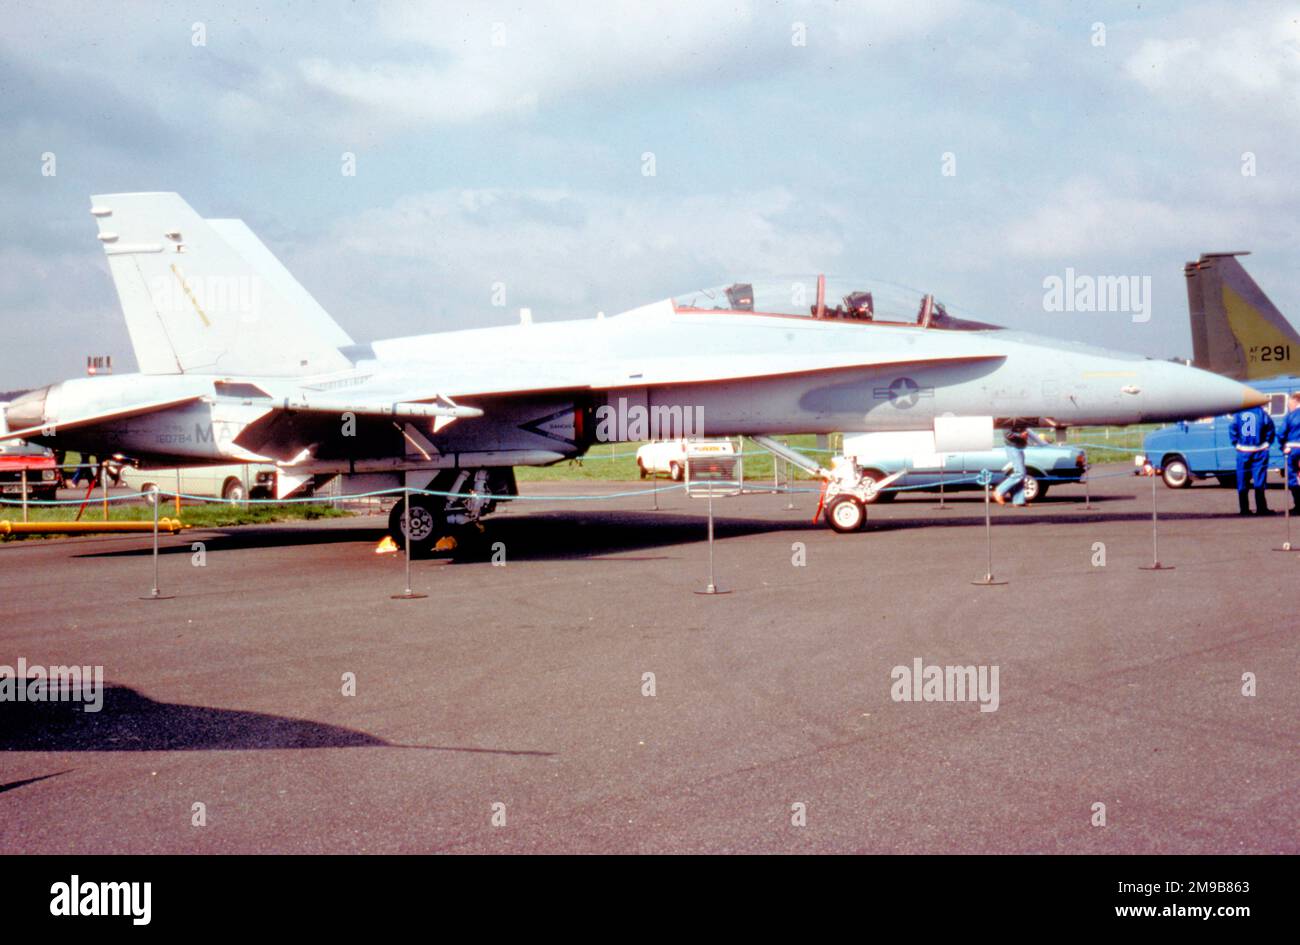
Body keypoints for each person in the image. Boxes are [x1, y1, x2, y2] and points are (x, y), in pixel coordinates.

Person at [1228, 403, 1275, 515]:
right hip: (1259, 450)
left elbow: (1232, 427)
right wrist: (1267, 442)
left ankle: (1244, 509)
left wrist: (1236, 443)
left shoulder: (1238, 413)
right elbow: (1270, 427)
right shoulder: (1262, 413)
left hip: (1243, 451)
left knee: (1242, 480)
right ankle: (1261, 508)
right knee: (1259, 480)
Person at [993, 421, 1045, 506]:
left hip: (1018, 447)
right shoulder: (1007, 419)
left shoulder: (1017, 419)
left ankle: (1019, 501)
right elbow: (1008, 434)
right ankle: (999, 491)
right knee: (1020, 473)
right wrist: (1021, 435)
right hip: (1012, 448)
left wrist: (1023, 434)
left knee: (1021, 474)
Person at [1278, 392, 1300, 512]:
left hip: (1293, 450)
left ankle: (1298, 505)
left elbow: (1281, 433)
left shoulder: (1290, 416)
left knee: (1292, 478)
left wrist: (1282, 447)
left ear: (1296, 401)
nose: (1288, 406)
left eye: (1290, 403)